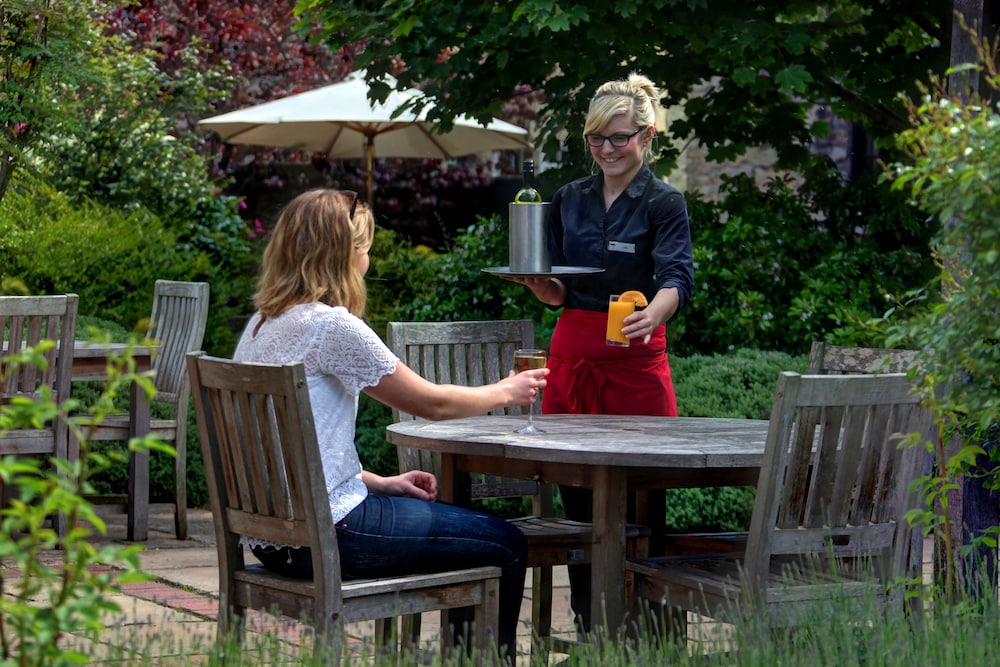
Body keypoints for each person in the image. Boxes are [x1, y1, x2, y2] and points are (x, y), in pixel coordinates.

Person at [232, 188, 547, 661]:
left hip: (274, 543)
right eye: (363, 248)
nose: (367, 257)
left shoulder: (260, 325)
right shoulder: (331, 327)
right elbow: (431, 403)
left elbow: (288, 446)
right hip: (331, 536)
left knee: (481, 536)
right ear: (341, 255)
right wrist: (507, 391)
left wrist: (380, 482)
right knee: (504, 541)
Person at [508, 73, 694, 632]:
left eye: (620, 138)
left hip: (636, 361)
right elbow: (562, 285)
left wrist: (653, 314)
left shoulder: (664, 201)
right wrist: (545, 290)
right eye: (597, 139)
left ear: (646, 134)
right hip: (575, 358)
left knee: (642, 506)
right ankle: (592, 628)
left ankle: (649, 637)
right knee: (582, 506)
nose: (608, 150)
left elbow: (676, 278)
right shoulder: (569, 198)